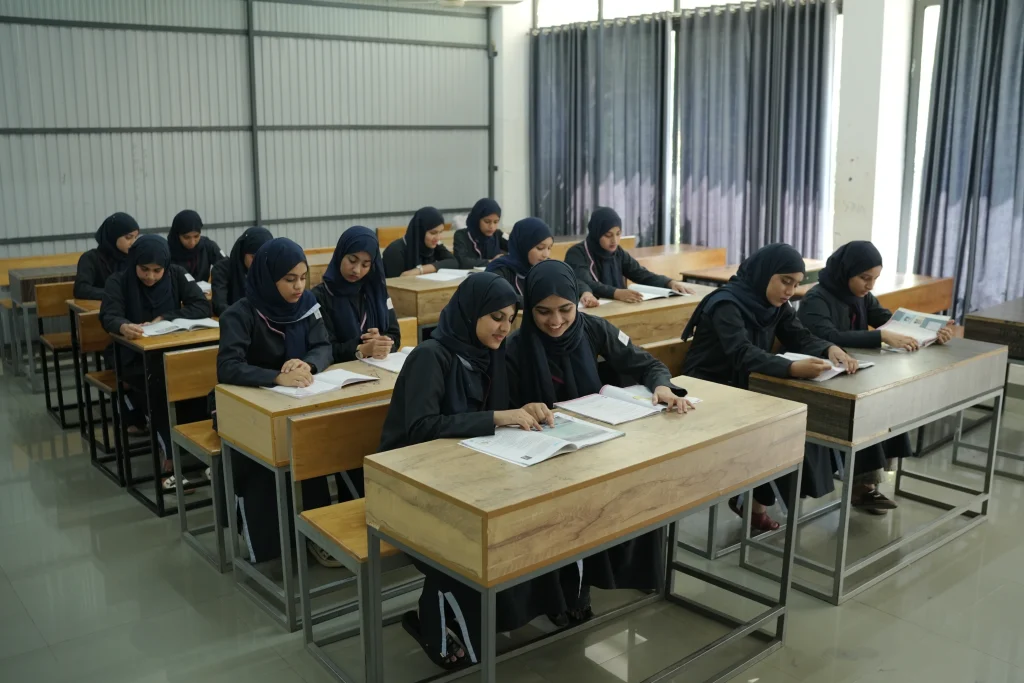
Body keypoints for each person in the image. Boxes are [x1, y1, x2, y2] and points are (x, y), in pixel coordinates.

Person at [380, 272, 573, 670]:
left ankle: (518, 609)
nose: (505, 328)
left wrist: (530, 408)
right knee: (464, 539)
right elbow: (419, 429)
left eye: (510, 319)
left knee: (530, 516)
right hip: (411, 484)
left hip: (470, 475)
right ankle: (437, 621)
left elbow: (504, 409)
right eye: (496, 317)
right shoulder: (430, 357)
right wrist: (497, 417)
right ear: (471, 313)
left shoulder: (494, 354)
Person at [506, 259, 693, 623]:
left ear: (577, 302)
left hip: (597, 441)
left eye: (565, 310)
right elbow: (502, 406)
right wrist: (524, 410)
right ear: (528, 308)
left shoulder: (593, 328)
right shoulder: (515, 346)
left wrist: (662, 386)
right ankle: (562, 594)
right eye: (543, 312)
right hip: (543, 452)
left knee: (634, 486)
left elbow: (645, 363)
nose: (556, 321)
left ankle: (604, 577)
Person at [680, 243, 858, 533]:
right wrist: (789, 367)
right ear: (765, 274)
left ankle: (756, 500)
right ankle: (753, 502)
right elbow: (741, 352)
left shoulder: (776, 307)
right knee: (777, 427)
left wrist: (830, 348)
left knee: (799, 420)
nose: (789, 291)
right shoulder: (726, 303)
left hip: (746, 385)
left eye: (796, 284)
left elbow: (799, 336)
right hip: (709, 389)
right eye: (785, 281)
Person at [797, 241, 953, 513]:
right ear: (845, 272)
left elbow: (888, 321)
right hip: (821, 379)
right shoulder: (816, 299)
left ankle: (866, 486)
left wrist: (930, 334)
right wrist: (880, 336)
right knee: (864, 413)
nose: (870, 286)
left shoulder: (861, 297)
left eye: (875, 279)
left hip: (853, 374)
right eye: (864, 278)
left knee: (883, 404)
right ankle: (862, 488)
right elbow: (826, 336)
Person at [216, 237, 339, 567]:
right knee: (268, 458)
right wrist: (275, 376)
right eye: (289, 279)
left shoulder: (307, 304)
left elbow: (324, 346)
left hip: (296, 404)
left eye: (303, 277)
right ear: (268, 278)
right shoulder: (240, 314)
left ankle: (316, 532)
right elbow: (228, 367)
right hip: (248, 412)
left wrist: (307, 364)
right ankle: (271, 544)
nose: (299, 286)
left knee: (316, 446)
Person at [99, 235, 211, 486]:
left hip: (169, 352)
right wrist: (122, 325)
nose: (150, 277)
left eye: (157, 271)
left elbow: (201, 306)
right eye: (144, 270)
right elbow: (109, 315)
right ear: (134, 263)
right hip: (131, 357)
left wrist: (165, 317)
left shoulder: (176, 274)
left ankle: (200, 450)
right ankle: (170, 458)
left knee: (199, 383)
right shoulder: (118, 281)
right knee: (161, 387)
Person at [567, 207, 695, 308]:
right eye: (608, 235)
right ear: (596, 232)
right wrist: (616, 293)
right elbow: (585, 283)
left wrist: (669, 282)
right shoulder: (577, 253)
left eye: (618, 234)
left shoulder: (618, 252)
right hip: (591, 312)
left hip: (618, 308)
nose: (615, 240)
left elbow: (640, 273)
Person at [311, 226, 400, 363]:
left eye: (365, 265)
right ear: (340, 254)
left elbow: (395, 336)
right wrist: (361, 348)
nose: (356, 270)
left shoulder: (377, 292)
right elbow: (325, 349)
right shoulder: (320, 297)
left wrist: (382, 343)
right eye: (352, 260)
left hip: (377, 368)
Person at [74, 212, 140, 300]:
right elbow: (81, 289)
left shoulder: (134, 258)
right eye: (128, 237)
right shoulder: (90, 258)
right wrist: (115, 294)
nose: (133, 242)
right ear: (113, 236)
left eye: (135, 237)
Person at [210, 226, 273, 316]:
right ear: (243, 252)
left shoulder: (272, 269)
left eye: (264, 257)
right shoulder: (222, 269)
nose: (259, 262)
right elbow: (220, 305)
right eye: (254, 257)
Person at [484, 217, 555, 296]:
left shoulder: (549, 269)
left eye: (549, 248)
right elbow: (502, 299)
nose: (546, 254)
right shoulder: (499, 271)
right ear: (524, 246)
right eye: (540, 248)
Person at [382, 207, 459, 278]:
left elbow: (453, 262)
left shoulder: (435, 245)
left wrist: (420, 270)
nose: (438, 238)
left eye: (441, 232)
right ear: (420, 232)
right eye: (433, 233)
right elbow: (395, 287)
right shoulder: (395, 251)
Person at [168, 209, 225, 282]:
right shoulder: (167, 252)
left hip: (203, 292)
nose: (192, 242)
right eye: (186, 237)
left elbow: (226, 265)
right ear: (177, 235)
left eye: (196, 236)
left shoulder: (207, 246)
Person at [453, 198, 508, 269]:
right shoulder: (461, 235)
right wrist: (491, 262)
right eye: (487, 221)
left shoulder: (498, 234)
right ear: (477, 219)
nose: (492, 226)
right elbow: (461, 261)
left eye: (496, 222)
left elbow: (517, 248)